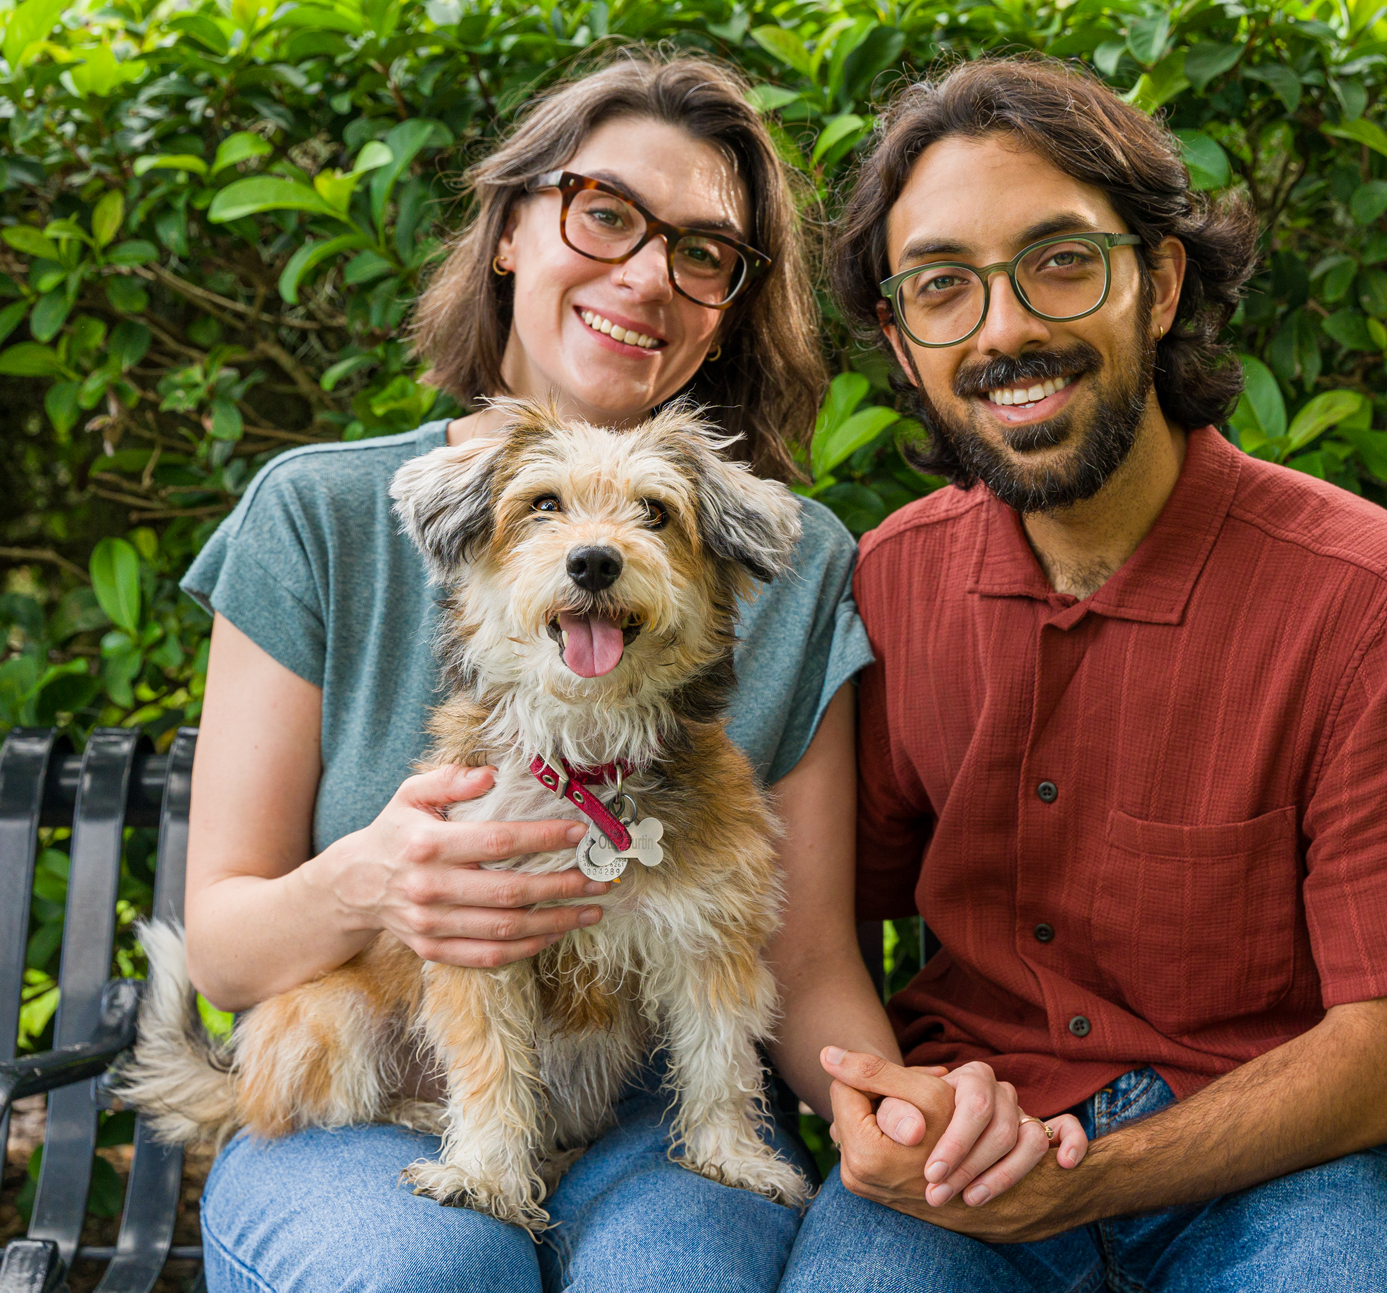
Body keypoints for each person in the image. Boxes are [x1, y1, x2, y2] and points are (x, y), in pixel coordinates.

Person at [178, 53, 953, 1293]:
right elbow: (219, 947)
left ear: (731, 303)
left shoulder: (791, 562)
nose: (647, 275)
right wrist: (376, 878)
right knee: (430, 1273)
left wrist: (894, 1104)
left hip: (641, 1102)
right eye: (604, 212)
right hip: (367, 1093)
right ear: (508, 230)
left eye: (704, 252)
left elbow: (798, 959)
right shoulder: (318, 513)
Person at [780, 57, 1387, 1292]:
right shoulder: (887, 587)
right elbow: (804, 937)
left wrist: (1087, 1178)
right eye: (940, 288)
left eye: (1061, 261)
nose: (1005, 328)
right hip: (970, 1142)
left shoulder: (1369, 598)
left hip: (1291, 1160)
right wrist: (880, 1103)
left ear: (1160, 282)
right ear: (899, 339)